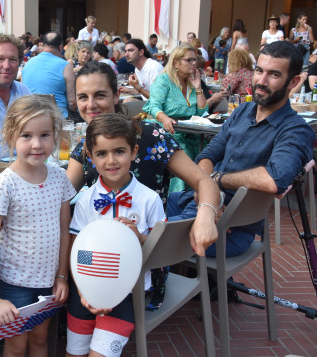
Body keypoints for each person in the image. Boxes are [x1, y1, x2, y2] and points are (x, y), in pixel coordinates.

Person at [168, 41, 315, 257]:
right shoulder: (243, 110)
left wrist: (215, 182)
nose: (261, 81)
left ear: (293, 81)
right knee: (151, 204)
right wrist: (206, 192)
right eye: (259, 71)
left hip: (231, 228)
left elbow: (274, 179)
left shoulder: (296, 130)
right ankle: (194, 284)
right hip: (201, 204)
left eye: (273, 75)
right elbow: (209, 154)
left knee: (148, 241)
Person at [67, 62, 219, 255]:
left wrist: (206, 213)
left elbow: (204, 181)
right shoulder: (85, 148)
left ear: (116, 96)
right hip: (105, 259)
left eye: (99, 95)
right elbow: (62, 196)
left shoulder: (151, 134)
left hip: (149, 258)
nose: (90, 105)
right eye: (83, 97)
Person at [0, 95, 75, 357]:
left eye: (44, 135)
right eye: (26, 136)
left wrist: (61, 276)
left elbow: (64, 231)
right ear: (11, 138)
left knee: (41, 340)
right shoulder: (4, 184)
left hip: (48, 282)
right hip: (15, 284)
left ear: (55, 136)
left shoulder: (59, 177)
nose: (36, 144)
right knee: (17, 345)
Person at [66, 113, 166, 357]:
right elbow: (77, 247)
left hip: (128, 294)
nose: (111, 161)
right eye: (101, 154)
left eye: (119, 152)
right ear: (90, 157)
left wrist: (140, 238)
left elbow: (161, 252)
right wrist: (85, 290)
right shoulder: (86, 201)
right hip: (85, 292)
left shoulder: (149, 199)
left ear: (133, 152)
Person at [143, 44, 208, 191]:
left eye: (194, 60)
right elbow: (154, 106)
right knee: (184, 153)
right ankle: (178, 197)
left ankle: (199, 193)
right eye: (189, 60)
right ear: (176, 63)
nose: (193, 64)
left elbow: (203, 111)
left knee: (210, 151)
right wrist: (164, 118)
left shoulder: (191, 81)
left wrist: (198, 88)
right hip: (165, 131)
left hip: (189, 132)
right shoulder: (164, 81)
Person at [22, 31, 76, 118]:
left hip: (31, 116)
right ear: (60, 47)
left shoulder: (28, 63)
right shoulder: (65, 66)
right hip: (58, 120)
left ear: (43, 45)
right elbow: (72, 102)